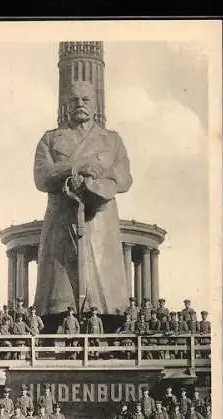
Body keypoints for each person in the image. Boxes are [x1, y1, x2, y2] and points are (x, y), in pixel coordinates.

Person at [33, 80, 132, 317]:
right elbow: (42, 175)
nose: (80, 104)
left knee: (103, 296)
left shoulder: (112, 140)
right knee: (59, 293)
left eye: (86, 99)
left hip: (98, 216)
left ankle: (109, 318)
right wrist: (76, 168)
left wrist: (90, 185)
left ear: (95, 105)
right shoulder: (50, 139)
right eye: (74, 100)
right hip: (62, 218)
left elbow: (123, 177)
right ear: (65, 106)